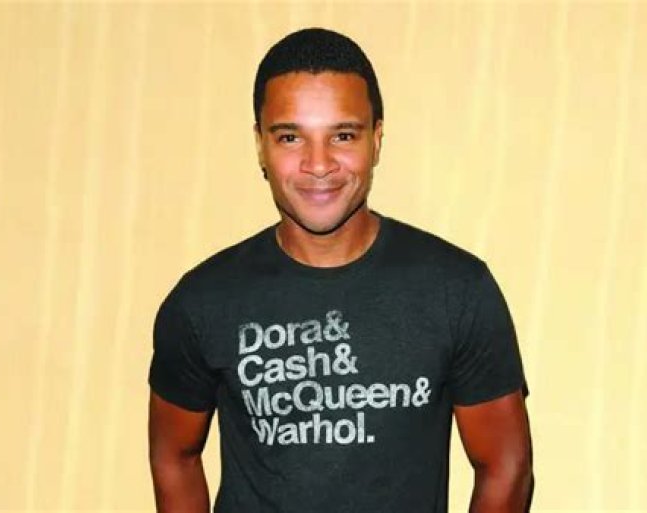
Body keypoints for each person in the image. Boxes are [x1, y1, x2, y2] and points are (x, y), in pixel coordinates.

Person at [148, 27, 533, 513]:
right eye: (291, 137)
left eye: (343, 135)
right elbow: (174, 455)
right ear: (260, 145)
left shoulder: (456, 290)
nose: (318, 164)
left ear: (377, 139)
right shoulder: (203, 302)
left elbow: (507, 465)